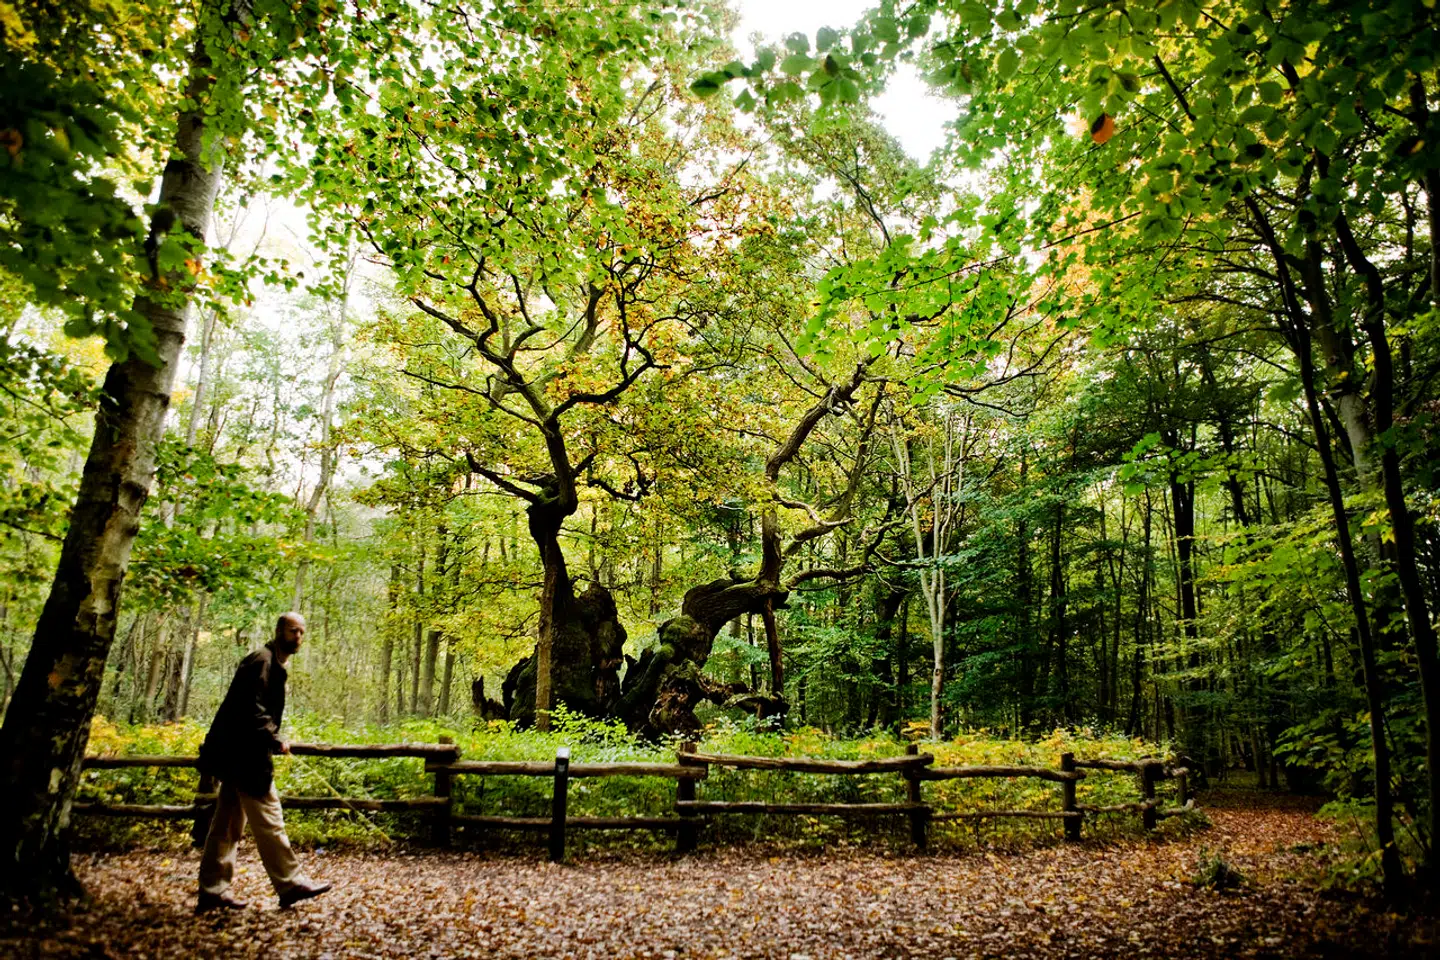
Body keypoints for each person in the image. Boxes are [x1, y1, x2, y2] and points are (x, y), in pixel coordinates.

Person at [195, 612, 332, 912]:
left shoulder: (272, 663)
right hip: (245, 755)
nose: (298, 637)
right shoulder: (261, 660)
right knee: (270, 818)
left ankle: (212, 890)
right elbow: (249, 707)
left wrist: (270, 736)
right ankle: (290, 882)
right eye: (293, 631)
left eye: (302, 633)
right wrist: (274, 736)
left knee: (227, 824)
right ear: (280, 630)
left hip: (239, 754)